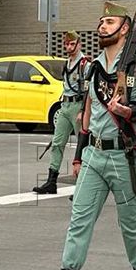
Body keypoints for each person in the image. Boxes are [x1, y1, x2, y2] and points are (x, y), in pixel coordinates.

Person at [39, 1, 136, 270]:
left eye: (109, 21)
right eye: (100, 21)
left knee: (131, 226)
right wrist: (79, 154)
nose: (102, 26)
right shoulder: (93, 68)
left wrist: (130, 111)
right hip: (95, 156)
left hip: (125, 156)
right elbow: (87, 113)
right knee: (78, 223)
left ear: (125, 28)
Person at [34, 31, 89, 194]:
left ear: (79, 44)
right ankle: (51, 181)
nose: (69, 47)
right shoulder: (67, 63)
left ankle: (82, 186)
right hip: (65, 106)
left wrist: (84, 110)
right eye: (67, 44)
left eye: (72, 44)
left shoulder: (84, 65)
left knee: (82, 145)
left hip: (78, 106)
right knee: (57, 143)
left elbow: (88, 89)